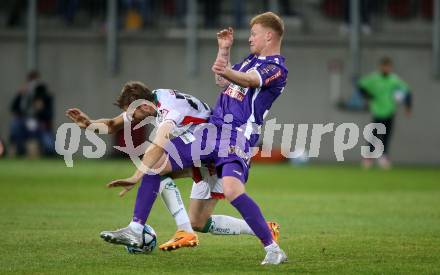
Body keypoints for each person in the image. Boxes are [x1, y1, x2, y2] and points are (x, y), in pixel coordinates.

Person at [103, 12, 288, 265]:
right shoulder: (250, 59)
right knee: (158, 168)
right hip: (211, 131)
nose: (251, 38)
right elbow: (222, 80)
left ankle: (273, 248)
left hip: (236, 136)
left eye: (254, 33)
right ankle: (135, 230)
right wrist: (224, 51)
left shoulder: (276, 67)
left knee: (233, 191)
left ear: (269, 35)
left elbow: (248, 80)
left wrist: (228, 69)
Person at [66, 82, 278, 252]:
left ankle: (138, 228)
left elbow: (158, 145)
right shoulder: (153, 100)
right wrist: (89, 124)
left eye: (133, 114)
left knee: (156, 165)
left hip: (214, 148)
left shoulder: (169, 110)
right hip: (200, 149)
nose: (132, 119)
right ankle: (264, 230)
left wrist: (135, 176)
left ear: (142, 106)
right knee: (198, 221)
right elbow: (112, 125)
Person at [359, 57, 412, 169]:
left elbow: (407, 91)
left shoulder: (394, 80)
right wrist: (368, 97)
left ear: (391, 67)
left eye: (388, 66)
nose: (386, 68)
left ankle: (384, 156)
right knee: (374, 135)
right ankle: (368, 157)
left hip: (390, 111)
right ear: (380, 67)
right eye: (384, 66)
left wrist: (408, 106)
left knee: (387, 135)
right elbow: (361, 85)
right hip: (378, 111)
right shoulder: (374, 78)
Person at [10, 71, 55, 157]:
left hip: (40, 124)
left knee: (50, 148)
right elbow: (13, 109)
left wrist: (41, 108)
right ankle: (19, 150)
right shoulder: (23, 95)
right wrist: (19, 95)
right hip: (23, 122)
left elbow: (49, 115)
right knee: (15, 125)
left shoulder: (45, 96)